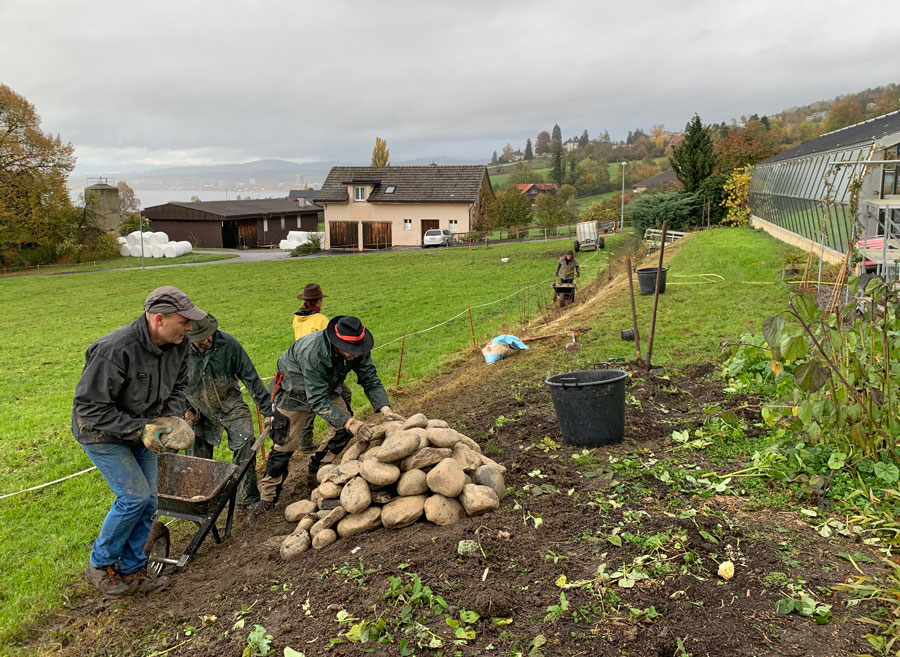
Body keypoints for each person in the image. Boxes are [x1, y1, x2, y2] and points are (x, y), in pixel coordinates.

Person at [73, 286, 206, 596]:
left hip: (146, 429)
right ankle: (99, 565)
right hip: (101, 432)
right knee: (133, 497)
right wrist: (140, 430)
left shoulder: (179, 346)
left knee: (150, 501)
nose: (189, 328)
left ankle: (132, 569)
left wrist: (166, 421)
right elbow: (89, 408)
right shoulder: (114, 350)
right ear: (159, 319)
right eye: (184, 322)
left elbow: (178, 387)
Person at [250, 315, 404, 520]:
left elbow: (369, 377)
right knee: (284, 444)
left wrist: (384, 408)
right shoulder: (313, 352)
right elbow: (317, 400)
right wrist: (351, 423)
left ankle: (317, 470)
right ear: (337, 344)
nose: (355, 355)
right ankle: (268, 497)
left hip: (326, 387)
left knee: (343, 430)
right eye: (352, 352)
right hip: (293, 390)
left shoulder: (357, 347)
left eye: (358, 350)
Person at [183, 314, 271, 507]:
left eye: (209, 335)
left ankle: (246, 499)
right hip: (197, 410)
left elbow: (251, 378)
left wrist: (268, 411)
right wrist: (185, 410)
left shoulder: (228, 344)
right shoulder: (178, 351)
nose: (207, 340)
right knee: (197, 461)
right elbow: (171, 386)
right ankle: (203, 504)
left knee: (246, 441)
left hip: (230, 405)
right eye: (201, 338)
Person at [291, 283, 353, 452]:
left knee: (310, 401)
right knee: (342, 394)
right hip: (318, 364)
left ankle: (305, 441)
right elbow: (331, 342)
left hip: (300, 364)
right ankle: (341, 427)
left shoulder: (297, 318)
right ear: (318, 301)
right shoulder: (322, 320)